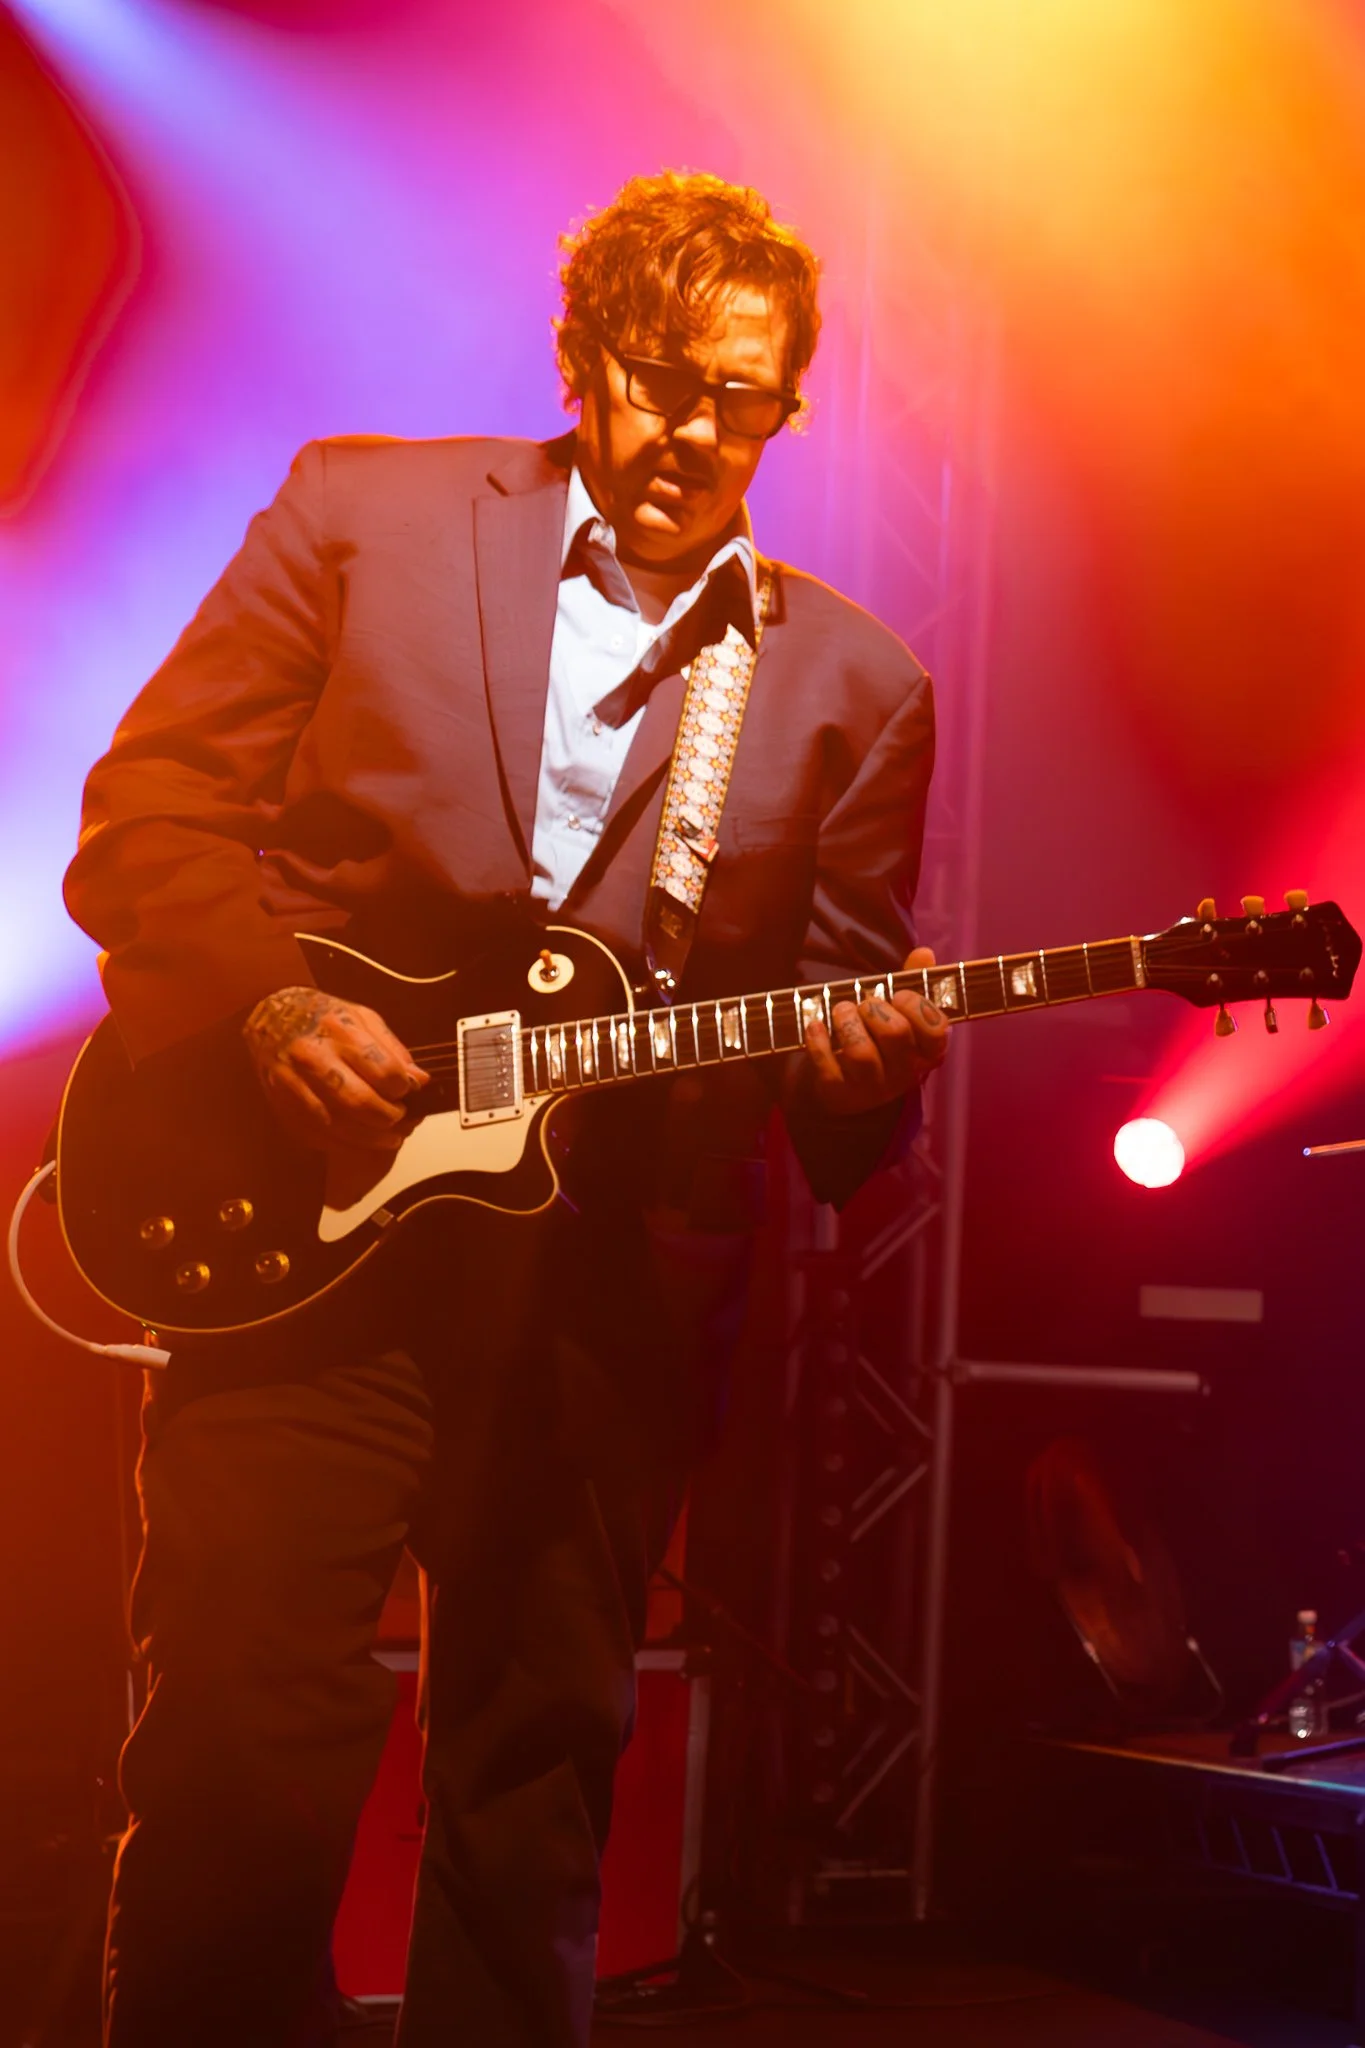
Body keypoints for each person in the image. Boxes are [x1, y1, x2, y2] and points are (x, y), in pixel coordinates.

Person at [64, 170, 946, 2047]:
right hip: (310, 1238)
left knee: (532, 1784)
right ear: (578, 358)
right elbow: (146, 817)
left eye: (745, 400)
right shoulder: (361, 514)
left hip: (605, 1297)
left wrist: (875, 1078)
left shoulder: (855, 687)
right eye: (661, 381)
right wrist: (276, 1005)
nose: (697, 434)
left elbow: (836, 1085)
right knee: (237, 1744)